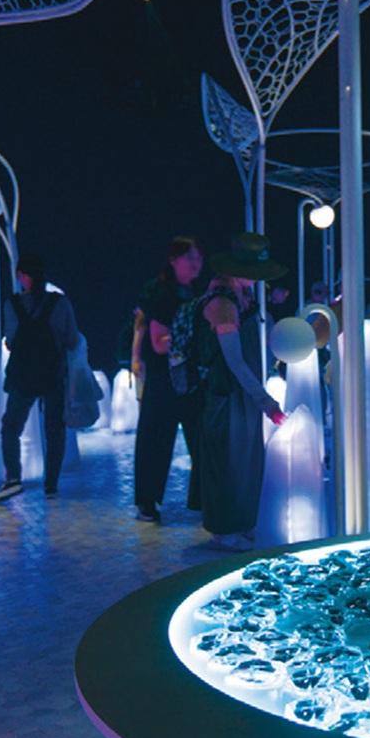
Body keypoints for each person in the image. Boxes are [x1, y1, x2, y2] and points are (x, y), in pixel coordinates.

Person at [190, 233, 286, 550]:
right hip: (225, 393)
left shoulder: (243, 296)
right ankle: (224, 529)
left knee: (245, 458)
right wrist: (266, 401)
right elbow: (234, 361)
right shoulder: (221, 303)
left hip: (242, 393)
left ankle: (242, 522)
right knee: (227, 459)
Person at [0, 254, 80, 502]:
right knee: (54, 430)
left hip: (23, 375)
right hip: (53, 373)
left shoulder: (13, 304)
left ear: (22, 276)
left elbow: (10, 340)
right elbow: (72, 339)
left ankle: (13, 478)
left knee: (11, 427)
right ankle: (51, 484)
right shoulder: (60, 303)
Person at [131, 236, 205, 524]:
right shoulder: (160, 292)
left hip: (189, 375)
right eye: (190, 258)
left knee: (200, 438)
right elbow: (158, 342)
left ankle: (203, 498)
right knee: (156, 439)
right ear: (174, 260)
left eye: (198, 258)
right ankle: (146, 501)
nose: (196, 264)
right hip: (164, 377)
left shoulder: (195, 291)